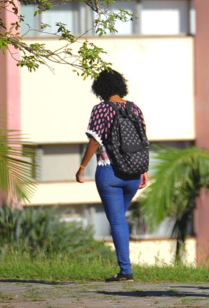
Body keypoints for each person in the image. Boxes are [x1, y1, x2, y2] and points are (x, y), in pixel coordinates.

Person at [76, 68, 149, 282]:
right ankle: (124, 269)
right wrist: (144, 170)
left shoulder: (101, 109)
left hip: (109, 172)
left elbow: (95, 140)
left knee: (117, 221)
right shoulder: (135, 109)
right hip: (133, 173)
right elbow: (142, 140)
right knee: (119, 220)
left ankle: (126, 271)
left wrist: (82, 167)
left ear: (100, 88)